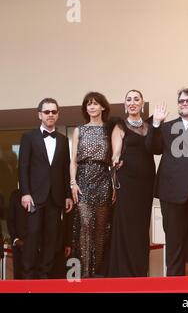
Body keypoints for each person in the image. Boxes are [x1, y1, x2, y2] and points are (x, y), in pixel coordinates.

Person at [146, 88, 188, 276]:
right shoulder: (166, 127)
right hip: (172, 193)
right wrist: (156, 124)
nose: (184, 103)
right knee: (174, 243)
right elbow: (152, 148)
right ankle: (173, 285)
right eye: (181, 101)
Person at [18, 98, 73, 279]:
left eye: (54, 112)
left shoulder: (64, 140)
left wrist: (67, 195)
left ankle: (44, 275)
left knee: (51, 238)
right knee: (33, 234)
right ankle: (28, 275)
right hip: (34, 196)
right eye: (47, 111)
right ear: (39, 114)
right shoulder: (28, 137)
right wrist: (25, 193)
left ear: (57, 115)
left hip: (55, 197)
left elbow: (65, 171)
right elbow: (23, 167)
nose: (50, 115)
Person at [108, 90, 155, 277]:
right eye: (129, 99)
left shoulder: (150, 126)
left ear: (142, 103)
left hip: (147, 181)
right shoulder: (120, 126)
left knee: (142, 227)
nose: (132, 102)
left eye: (136, 99)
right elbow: (116, 151)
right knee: (127, 224)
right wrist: (116, 158)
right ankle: (124, 273)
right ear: (125, 104)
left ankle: (140, 272)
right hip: (127, 181)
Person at [70, 92, 113, 278]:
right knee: (85, 225)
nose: (92, 107)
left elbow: (114, 160)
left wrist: (114, 185)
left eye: (95, 104)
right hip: (83, 180)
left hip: (104, 179)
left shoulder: (109, 129)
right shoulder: (80, 129)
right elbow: (73, 161)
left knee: (101, 228)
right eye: (89, 104)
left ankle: (97, 273)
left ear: (103, 107)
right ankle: (84, 273)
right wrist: (73, 183)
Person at [7, 188, 27, 279]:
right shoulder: (15, 195)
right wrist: (16, 240)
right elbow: (10, 220)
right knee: (19, 278)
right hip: (19, 246)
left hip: (36, 247)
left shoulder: (39, 194)